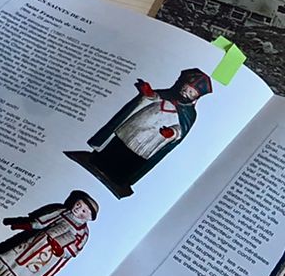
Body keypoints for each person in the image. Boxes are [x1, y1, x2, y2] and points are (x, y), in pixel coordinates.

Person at [67, 67, 212, 196]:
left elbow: (181, 129)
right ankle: (97, 162)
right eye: (185, 89)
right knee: (117, 145)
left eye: (191, 92)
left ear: (196, 97)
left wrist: (172, 133)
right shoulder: (166, 94)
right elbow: (154, 97)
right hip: (135, 126)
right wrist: (148, 93)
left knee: (131, 158)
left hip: (151, 138)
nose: (185, 93)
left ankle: (116, 178)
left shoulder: (189, 114)